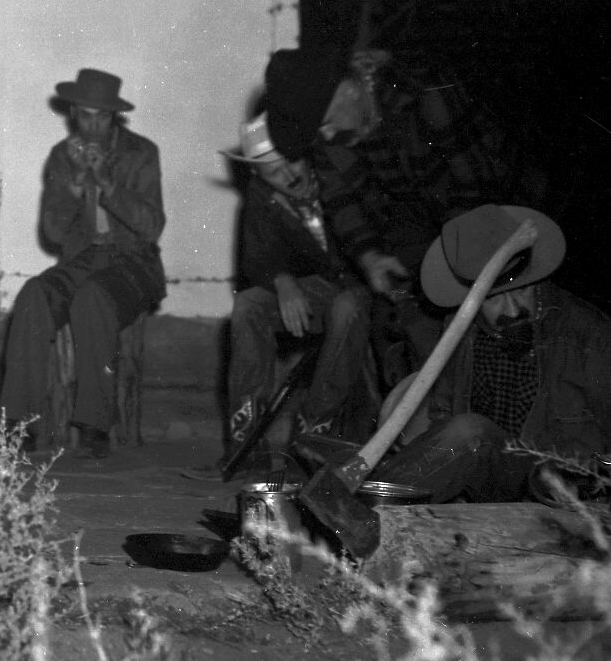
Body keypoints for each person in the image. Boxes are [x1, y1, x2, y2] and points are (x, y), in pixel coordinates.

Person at [263, 45, 523, 383]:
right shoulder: (327, 125)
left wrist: (447, 263)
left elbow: (477, 184)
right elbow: (342, 201)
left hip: (489, 209)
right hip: (410, 222)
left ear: (350, 88)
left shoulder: (426, 93)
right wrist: (370, 256)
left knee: (493, 325)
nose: (326, 135)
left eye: (327, 122)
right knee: (409, 325)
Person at [367, 203, 611, 503]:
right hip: (493, 481)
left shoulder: (586, 334)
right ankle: (366, 510)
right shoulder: (459, 333)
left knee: (469, 432)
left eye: (521, 291)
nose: (512, 310)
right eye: (494, 299)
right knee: (466, 432)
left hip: (559, 493)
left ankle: (363, 513)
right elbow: (443, 417)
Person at [0, 68, 167, 458]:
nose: (92, 126)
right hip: (84, 259)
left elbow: (152, 227)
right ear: (73, 112)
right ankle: (19, 425)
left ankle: (95, 424)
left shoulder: (142, 153)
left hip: (134, 261)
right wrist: (74, 187)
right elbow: (54, 234)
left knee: (93, 299)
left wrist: (109, 185)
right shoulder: (62, 156)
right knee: (34, 294)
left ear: (115, 116)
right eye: (84, 115)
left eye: (101, 116)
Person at [216, 113, 373, 466]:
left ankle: (313, 434)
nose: (289, 175)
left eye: (292, 161)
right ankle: (248, 440)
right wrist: (283, 282)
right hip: (319, 289)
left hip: (364, 287)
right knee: (248, 307)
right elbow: (257, 256)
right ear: (259, 176)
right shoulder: (262, 196)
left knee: (347, 308)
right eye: (274, 173)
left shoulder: (335, 172)